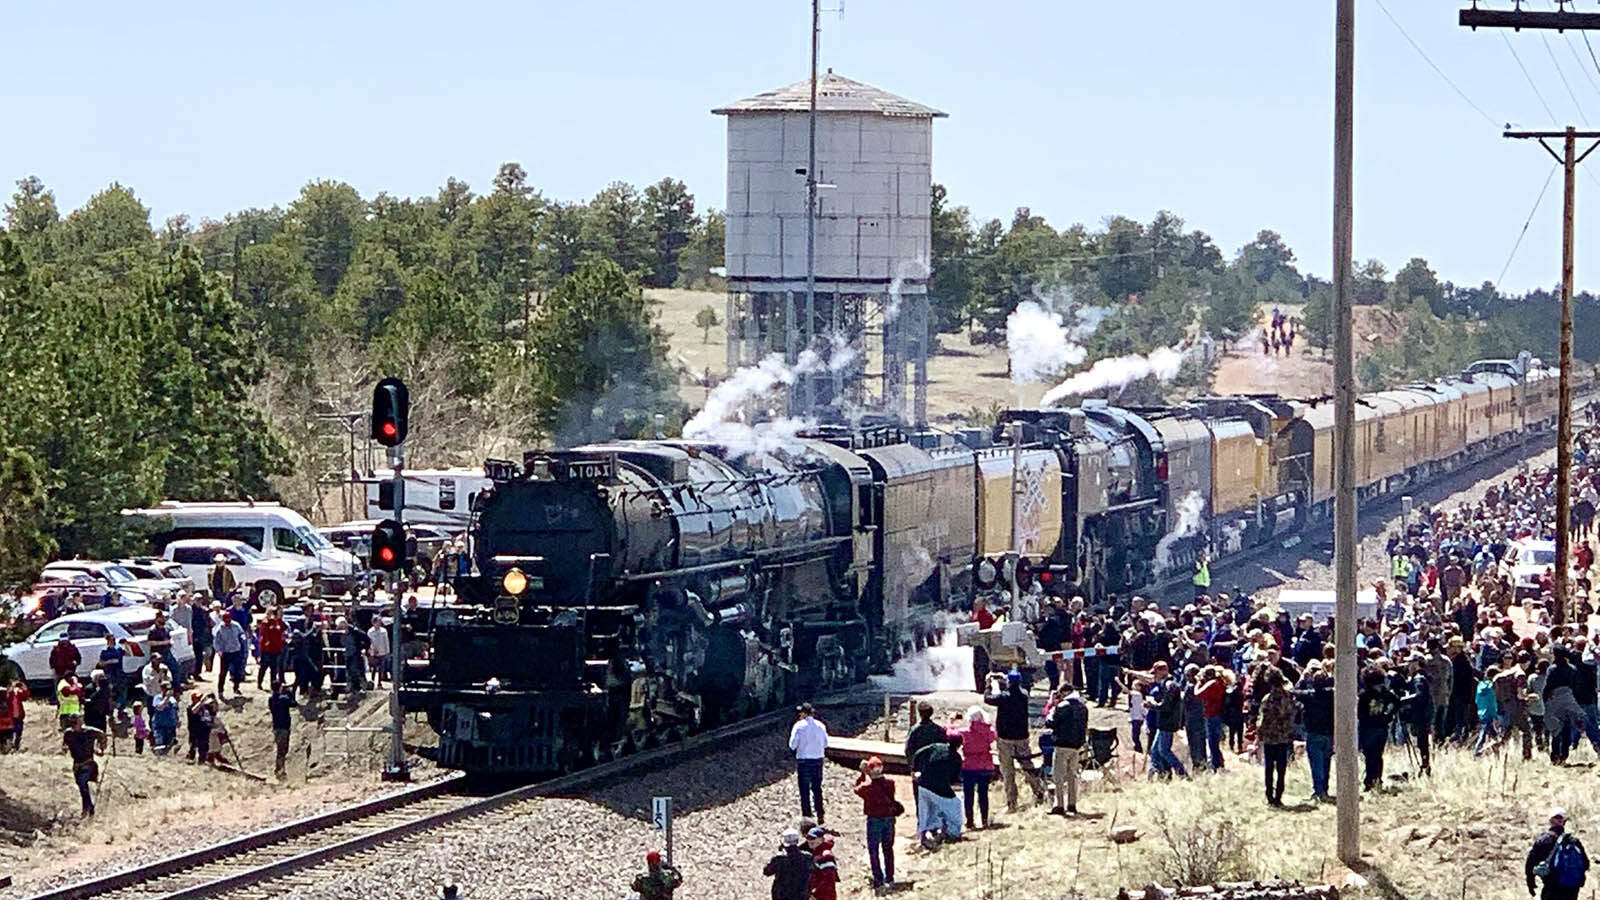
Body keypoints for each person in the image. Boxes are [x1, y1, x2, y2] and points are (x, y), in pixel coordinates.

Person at [983, 670, 1046, 812]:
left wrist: (988, 684)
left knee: (1008, 770)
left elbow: (988, 698)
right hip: (1022, 737)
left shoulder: (1004, 697)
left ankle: (1012, 802)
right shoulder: (1024, 695)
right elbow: (1012, 689)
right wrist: (1004, 681)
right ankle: (1039, 791)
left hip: (1005, 738)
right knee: (1027, 765)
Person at [853, 756, 899, 892]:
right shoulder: (890, 783)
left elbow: (856, 788)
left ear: (870, 770)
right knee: (888, 849)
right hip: (889, 819)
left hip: (874, 820)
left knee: (873, 850)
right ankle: (890, 877)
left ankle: (878, 879)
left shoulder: (866, 788)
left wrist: (862, 774)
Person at [912, 734, 964, 844]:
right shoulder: (956, 758)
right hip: (939, 787)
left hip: (923, 783)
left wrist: (914, 768)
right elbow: (954, 779)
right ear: (960, 745)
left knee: (925, 810)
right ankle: (952, 833)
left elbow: (918, 752)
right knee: (955, 806)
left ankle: (923, 836)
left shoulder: (936, 747)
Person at [1528, 809, 1589, 899]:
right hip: (1571, 889)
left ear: (1550, 821)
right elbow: (1586, 864)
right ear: (1564, 822)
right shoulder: (1574, 841)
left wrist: (1530, 882)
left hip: (1551, 887)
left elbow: (1530, 863)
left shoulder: (1543, 840)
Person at [1257, 669, 1297, 807]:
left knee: (1269, 768)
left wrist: (1259, 736)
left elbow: (1262, 719)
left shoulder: (1267, 699)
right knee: (1281, 769)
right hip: (1284, 736)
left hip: (1270, 737)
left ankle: (1269, 796)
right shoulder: (1288, 697)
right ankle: (1279, 796)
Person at [1046, 685, 1088, 815]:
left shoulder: (1062, 706)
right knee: (1072, 776)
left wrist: (1053, 707)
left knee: (1058, 776)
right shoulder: (1083, 707)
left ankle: (1059, 805)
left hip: (1062, 744)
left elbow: (1050, 723)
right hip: (1076, 746)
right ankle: (1072, 803)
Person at [954, 705, 996, 829]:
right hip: (985, 765)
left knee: (968, 794)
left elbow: (950, 734)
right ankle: (984, 819)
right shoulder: (989, 732)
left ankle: (970, 820)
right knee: (983, 794)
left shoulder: (964, 733)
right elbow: (994, 736)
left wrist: (952, 722)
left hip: (969, 765)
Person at [1357, 666, 1399, 790]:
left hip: (1368, 728)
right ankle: (1377, 780)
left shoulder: (1364, 695)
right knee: (1378, 755)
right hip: (1382, 728)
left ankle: (1369, 781)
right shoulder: (1386, 693)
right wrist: (1388, 715)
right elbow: (1397, 702)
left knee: (1369, 755)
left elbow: (1360, 713)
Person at [788, 702, 828, 824]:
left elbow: (792, 745)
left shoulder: (799, 726)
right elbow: (826, 743)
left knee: (804, 790)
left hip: (804, 761)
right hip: (818, 760)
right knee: (817, 788)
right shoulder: (821, 725)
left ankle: (807, 817)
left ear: (804, 713)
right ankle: (820, 814)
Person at [61, 715, 106, 817]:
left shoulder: (89, 732)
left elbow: (102, 735)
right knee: (82, 788)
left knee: (82, 783)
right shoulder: (68, 733)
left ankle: (89, 808)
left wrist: (101, 748)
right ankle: (87, 808)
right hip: (77, 765)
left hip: (88, 763)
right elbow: (65, 744)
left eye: (76, 722)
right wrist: (65, 748)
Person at [763, 829, 812, 900]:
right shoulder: (807, 857)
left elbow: (766, 871)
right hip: (801, 895)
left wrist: (779, 852)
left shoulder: (779, 858)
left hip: (782, 896)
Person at [269, 680, 299, 779]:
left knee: (280, 749)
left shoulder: (271, 699)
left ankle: (280, 769)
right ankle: (279, 770)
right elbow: (294, 704)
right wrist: (290, 693)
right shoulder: (284, 698)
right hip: (284, 727)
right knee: (282, 750)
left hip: (276, 726)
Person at [213, 610, 247, 696]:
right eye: (226, 620)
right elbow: (216, 641)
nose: (227, 622)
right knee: (223, 673)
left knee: (237, 671)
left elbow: (241, 633)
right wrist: (219, 650)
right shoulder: (220, 628)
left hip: (236, 651)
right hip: (226, 653)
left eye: (229, 620)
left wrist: (243, 639)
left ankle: (236, 688)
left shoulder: (236, 625)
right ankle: (220, 691)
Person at [148, 610, 183, 687]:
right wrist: (163, 643)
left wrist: (170, 642)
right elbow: (150, 642)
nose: (163, 619)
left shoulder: (165, 628)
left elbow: (168, 638)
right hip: (158, 654)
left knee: (176, 668)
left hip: (167, 652)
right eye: (161, 618)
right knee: (160, 672)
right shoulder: (153, 630)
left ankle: (176, 687)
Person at [257, 607, 288, 690]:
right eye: (279, 612)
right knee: (264, 667)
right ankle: (259, 683)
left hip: (276, 648)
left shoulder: (280, 622)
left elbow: (285, 630)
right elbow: (263, 633)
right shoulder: (267, 622)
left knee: (274, 668)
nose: (281, 614)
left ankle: (273, 685)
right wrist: (266, 642)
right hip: (267, 649)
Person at [805, 825, 839, 900]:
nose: (809, 840)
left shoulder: (826, 855)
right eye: (808, 838)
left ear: (821, 839)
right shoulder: (816, 854)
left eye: (813, 838)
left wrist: (815, 893)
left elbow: (828, 879)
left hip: (825, 896)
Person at [97, 634, 128, 710]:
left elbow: (128, 654)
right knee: (111, 692)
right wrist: (109, 661)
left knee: (122, 690)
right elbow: (100, 663)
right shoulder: (104, 651)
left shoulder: (118, 649)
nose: (112, 642)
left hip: (119, 672)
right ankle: (111, 709)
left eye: (114, 640)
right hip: (109, 673)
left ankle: (121, 707)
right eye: (111, 640)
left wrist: (126, 645)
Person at [150, 686, 179, 755]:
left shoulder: (173, 699)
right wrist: (167, 697)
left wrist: (177, 720)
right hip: (159, 724)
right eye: (166, 689)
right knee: (160, 744)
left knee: (169, 744)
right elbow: (160, 707)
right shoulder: (157, 698)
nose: (168, 691)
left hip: (170, 724)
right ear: (162, 689)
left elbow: (175, 710)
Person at [366, 616, 391, 687]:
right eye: (377, 622)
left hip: (382, 651)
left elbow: (386, 641)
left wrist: (387, 651)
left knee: (381, 669)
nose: (379, 623)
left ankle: (379, 683)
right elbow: (369, 642)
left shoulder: (384, 631)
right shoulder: (370, 631)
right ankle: (372, 681)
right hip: (374, 653)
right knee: (374, 668)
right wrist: (372, 650)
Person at [5, 681, 28, 751]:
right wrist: (10, 690)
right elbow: (7, 698)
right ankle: (10, 745)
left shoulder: (18, 692)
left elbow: (25, 697)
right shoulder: (9, 693)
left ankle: (16, 745)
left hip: (19, 715)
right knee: (11, 732)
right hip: (11, 716)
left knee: (19, 731)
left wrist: (24, 687)